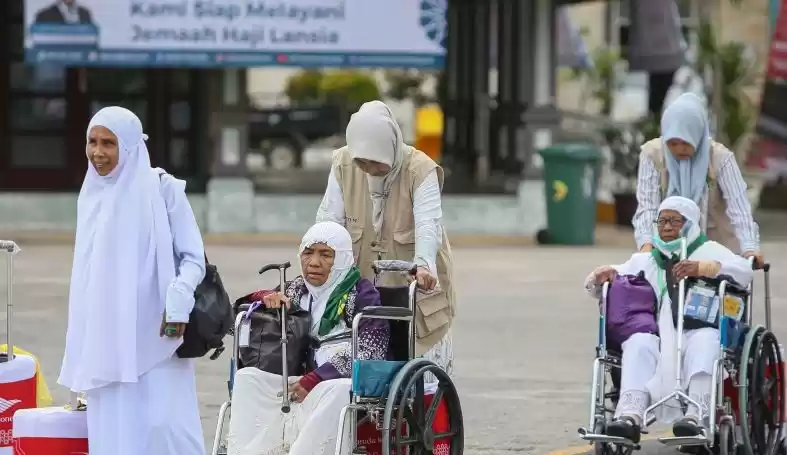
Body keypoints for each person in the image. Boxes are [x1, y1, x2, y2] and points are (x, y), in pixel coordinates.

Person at [57, 106, 205, 455]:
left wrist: (179, 300)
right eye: (92, 141)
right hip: (106, 338)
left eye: (109, 143)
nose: (98, 152)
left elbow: (193, 257)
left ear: (130, 146)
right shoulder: (91, 194)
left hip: (157, 331)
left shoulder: (163, 188)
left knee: (164, 425)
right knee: (113, 428)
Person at [585, 196, 753, 442]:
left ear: (690, 224)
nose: (666, 227)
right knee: (638, 342)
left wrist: (703, 268)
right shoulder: (646, 260)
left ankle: (697, 415)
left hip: (697, 328)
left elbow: (744, 272)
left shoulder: (710, 251)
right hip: (657, 334)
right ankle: (630, 415)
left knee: (706, 340)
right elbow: (602, 281)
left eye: (675, 221)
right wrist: (600, 276)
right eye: (662, 221)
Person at [227, 221, 390, 455]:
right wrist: (263, 297)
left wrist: (317, 378)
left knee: (338, 390)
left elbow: (371, 350)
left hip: (335, 380)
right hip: (297, 375)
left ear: (342, 258)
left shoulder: (361, 293)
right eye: (308, 253)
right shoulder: (294, 289)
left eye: (326, 255)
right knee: (247, 378)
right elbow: (234, 324)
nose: (314, 262)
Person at [316, 100, 455, 374]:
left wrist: (424, 265)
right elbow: (329, 220)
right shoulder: (343, 163)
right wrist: (320, 257)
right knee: (364, 358)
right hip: (364, 286)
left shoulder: (420, 169)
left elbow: (428, 224)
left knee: (420, 364)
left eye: (376, 161)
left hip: (414, 286)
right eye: (362, 161)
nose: (368, 168)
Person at [633, 92, 763, 267]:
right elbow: (647, 205)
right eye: (673, 143)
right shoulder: (652, 154)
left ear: (697, 135)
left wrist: (750, 247)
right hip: (665, 250)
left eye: (686, 142)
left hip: (716, 253)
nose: (679, 149)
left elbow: (739, 208)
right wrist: (646, 244)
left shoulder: (720, 158)